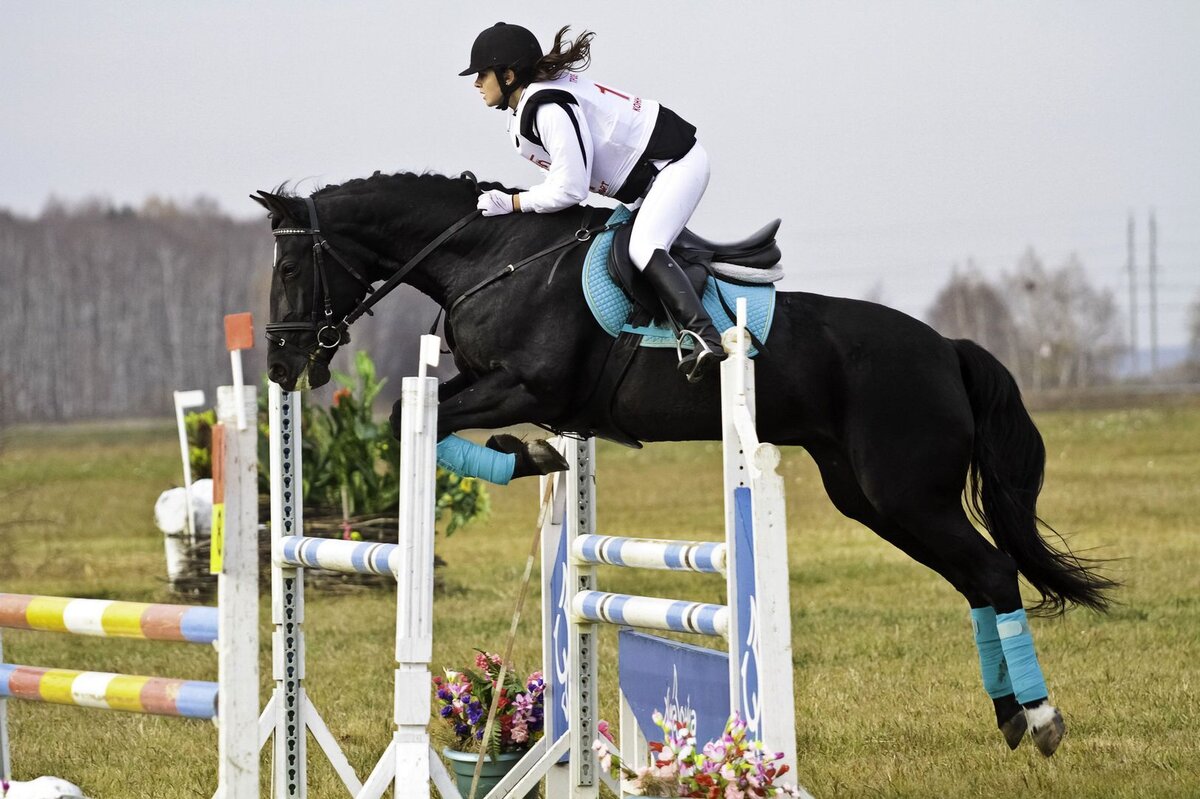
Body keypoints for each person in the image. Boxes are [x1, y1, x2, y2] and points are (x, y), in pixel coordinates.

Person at [460, 22, 726, 382]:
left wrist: (513, 202)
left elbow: (570, 190)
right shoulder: (531, 103)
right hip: (649, 179)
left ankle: (704, 336)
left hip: (675, 165)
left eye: (482, 74)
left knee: (644, 246)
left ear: (508, 75)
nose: (477, 82)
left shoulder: (547, 108)